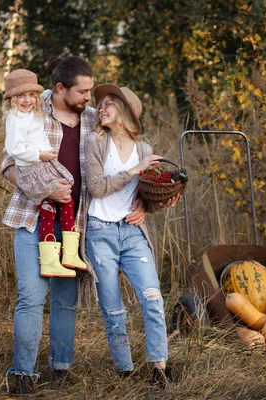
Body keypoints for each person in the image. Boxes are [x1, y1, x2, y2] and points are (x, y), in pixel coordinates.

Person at [1, 56, 147, 394]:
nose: (88, 98)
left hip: (76, 224)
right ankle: (22, 373)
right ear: (60, 88)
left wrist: (143, 199)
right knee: (31, 297)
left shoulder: (96, 119)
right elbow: (9, 164)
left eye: (90, 91)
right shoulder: (31, 110)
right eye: (82, 91)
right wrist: (46, 189)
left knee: (65, 298)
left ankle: (61, 368)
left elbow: (127, 155)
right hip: (33, 217)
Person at [83, 84, 177, 386]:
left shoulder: (144, 150)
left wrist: (154, 204)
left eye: (110, 104)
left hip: (133, 232)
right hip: (99, 232)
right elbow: (97, 187)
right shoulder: (94, 142)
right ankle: (125, 370)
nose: (102, 107)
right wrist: (135, 171)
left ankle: (159, 369)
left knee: (152, 297)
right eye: (101, 104)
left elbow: (150, 193)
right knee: (113, 308)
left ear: (126, 113)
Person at [2, 68, 85, 278]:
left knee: (55, 204)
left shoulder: (31, 114)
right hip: (32, 166)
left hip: (41, 162)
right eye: (21, 95)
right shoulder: (15, 118)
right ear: (12, 98)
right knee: (60, 200)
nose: (27, 100)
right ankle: (58, 257)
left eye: (31, 95)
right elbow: (13, 149)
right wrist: (40, 155)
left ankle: (65, 255)